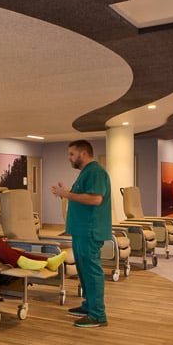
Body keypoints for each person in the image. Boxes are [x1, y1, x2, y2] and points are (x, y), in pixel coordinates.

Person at [51, 140, 112, 328]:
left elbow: (95, 198)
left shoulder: (95, 172)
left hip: (90, 230)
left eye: (71, 154)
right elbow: (84, 196)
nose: (69, 158)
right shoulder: (86, 173)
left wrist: (68, 195)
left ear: (83, 154)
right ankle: (88, 306)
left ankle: (98, 315)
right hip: (81, 230)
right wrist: (67, 192)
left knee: (92, 272)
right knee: (84, 271)